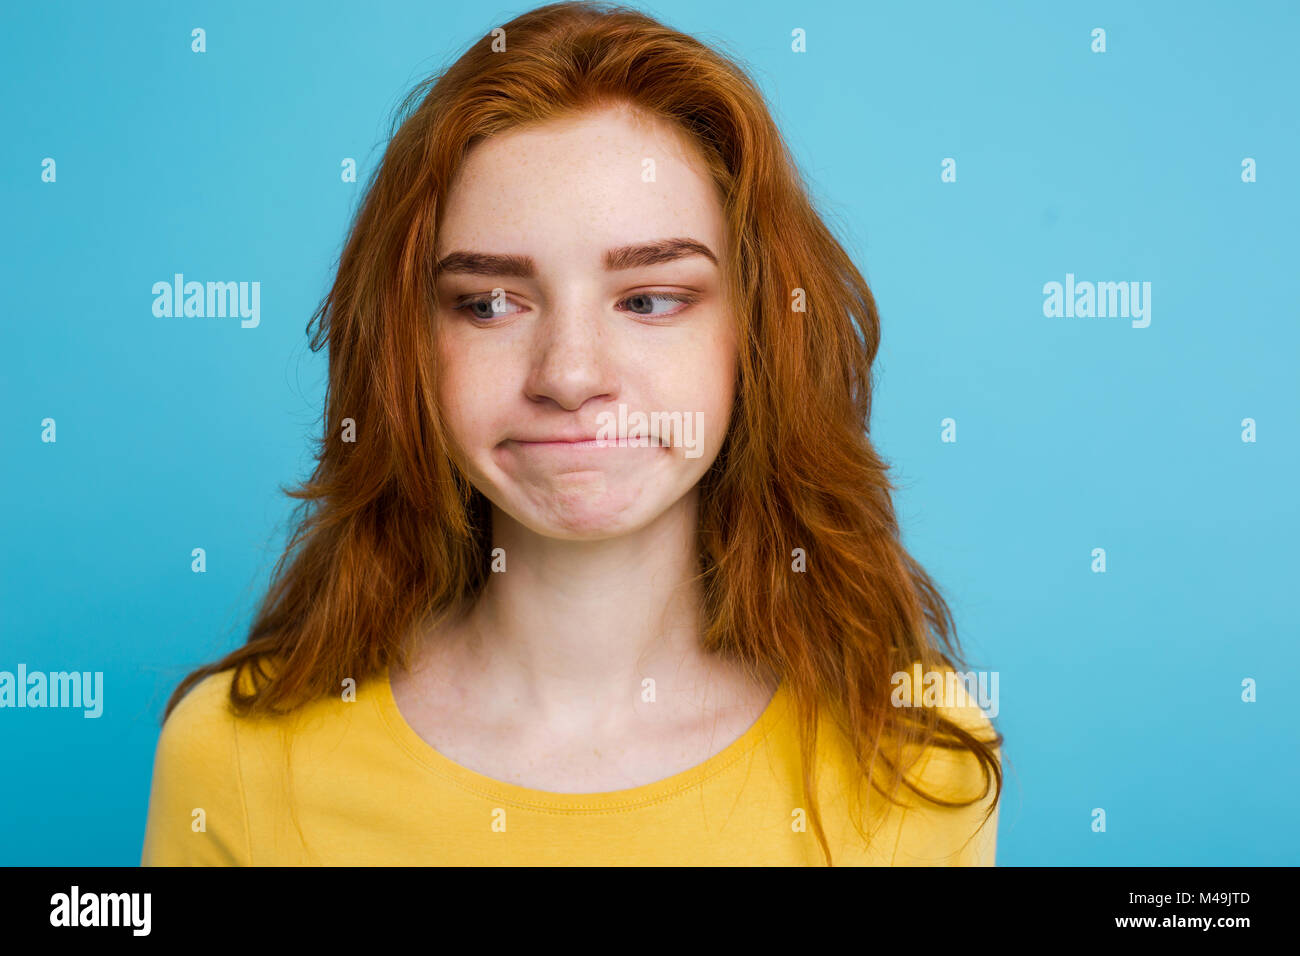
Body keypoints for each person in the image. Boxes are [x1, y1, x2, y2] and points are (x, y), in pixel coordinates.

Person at [141, 0, 1003, 866]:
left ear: (759, 337)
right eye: (488, 304)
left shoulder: (913, 759)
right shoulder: (233, 757)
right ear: (409, 345)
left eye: (649, 300)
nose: (570, 375)